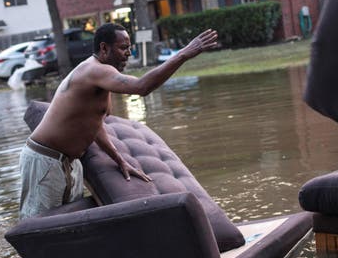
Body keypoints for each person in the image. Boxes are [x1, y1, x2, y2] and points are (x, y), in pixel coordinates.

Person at [19, 23, 218, 219]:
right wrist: (183, 54)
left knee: (67, 226)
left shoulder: (102, 78)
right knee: (38, 227)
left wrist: (120, 160)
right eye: (123, 48)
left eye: (129, 47)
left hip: (68, 163)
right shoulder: (94, 70)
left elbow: (94, 125)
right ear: (104, 48)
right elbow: (142, 87)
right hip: (46, 160)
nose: (129, 53)